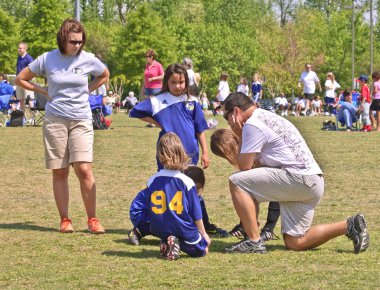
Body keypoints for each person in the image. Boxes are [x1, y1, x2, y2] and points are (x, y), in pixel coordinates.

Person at [221, 92, 369, 254]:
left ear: (236, 112)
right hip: (311, 181)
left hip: (298, 179)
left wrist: (239, 134)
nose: (228, 123)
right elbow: (257, 167)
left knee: (237, 181)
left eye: (226, 117)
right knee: (295, 242)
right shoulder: (267, 116)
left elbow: (244, 168)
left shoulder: (251, 125)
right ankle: (350, 225)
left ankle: (254, 241)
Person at [15, 19, 109, 234]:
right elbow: (21, 78)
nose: (78, 45)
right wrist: (43, 90)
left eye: (80, 41)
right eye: (73, 41)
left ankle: (92, 219)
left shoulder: (88, 59)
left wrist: (88, 90)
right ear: (63, 39)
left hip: (81, 119)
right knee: (60, 171)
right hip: (55, 119)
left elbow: (104, 75)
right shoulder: (48, 58)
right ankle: (65, 219)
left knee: (84, 169)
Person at [130, 64, 227, 236]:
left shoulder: (193, 101)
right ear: (167, 82)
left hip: (190, 154)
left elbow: (199, 128)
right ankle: (164, 224)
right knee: (169, 188)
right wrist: (158, 122)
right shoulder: (157, 101)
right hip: (167, 154)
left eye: (181, 82)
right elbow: (135, 111)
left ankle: (203, 224)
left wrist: (205, 152)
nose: (178, 86)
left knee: (192, 189)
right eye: (173, 82)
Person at [129, 133, 211, 260]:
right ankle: (175, 242)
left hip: (158, 227)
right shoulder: (186, 182)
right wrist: (203, 234)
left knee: (169, 230)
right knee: (203, 250)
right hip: (181, 226)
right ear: (181, 153)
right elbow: (196, 213)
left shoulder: (152, 181)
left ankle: (168, 242)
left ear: (159, 155)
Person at [210, 128, 280, 242]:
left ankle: (269, 229)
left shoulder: (250, 147)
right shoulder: (243, 146)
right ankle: (245, 226)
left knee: (270, 191)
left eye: (224, 154)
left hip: (282, 175)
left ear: (228, 147)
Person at [142, 48, 164, 127]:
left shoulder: (158, 65)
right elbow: (145, 77)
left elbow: (163, 76)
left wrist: (153, 79)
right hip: (148, 88)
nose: (146, 58)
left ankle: (158, 121)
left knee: (155, 105)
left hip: (156, 88)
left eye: (147, 56)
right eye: (145, 56)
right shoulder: (147, 65)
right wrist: (144, 87)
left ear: (151, 57)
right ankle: (151, 122)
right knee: (150, 105)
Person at [16, 42, 34, 112]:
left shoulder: (29, 58)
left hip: (27, 82)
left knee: (29, 100)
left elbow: (32, 70)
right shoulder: (19, 58)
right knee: (21, 101)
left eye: (20, 48)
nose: (18, 49)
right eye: (18, 48)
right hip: (19, 82)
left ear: (24, 49)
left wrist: (27, 79)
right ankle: (22, 118)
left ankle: (33, 118)